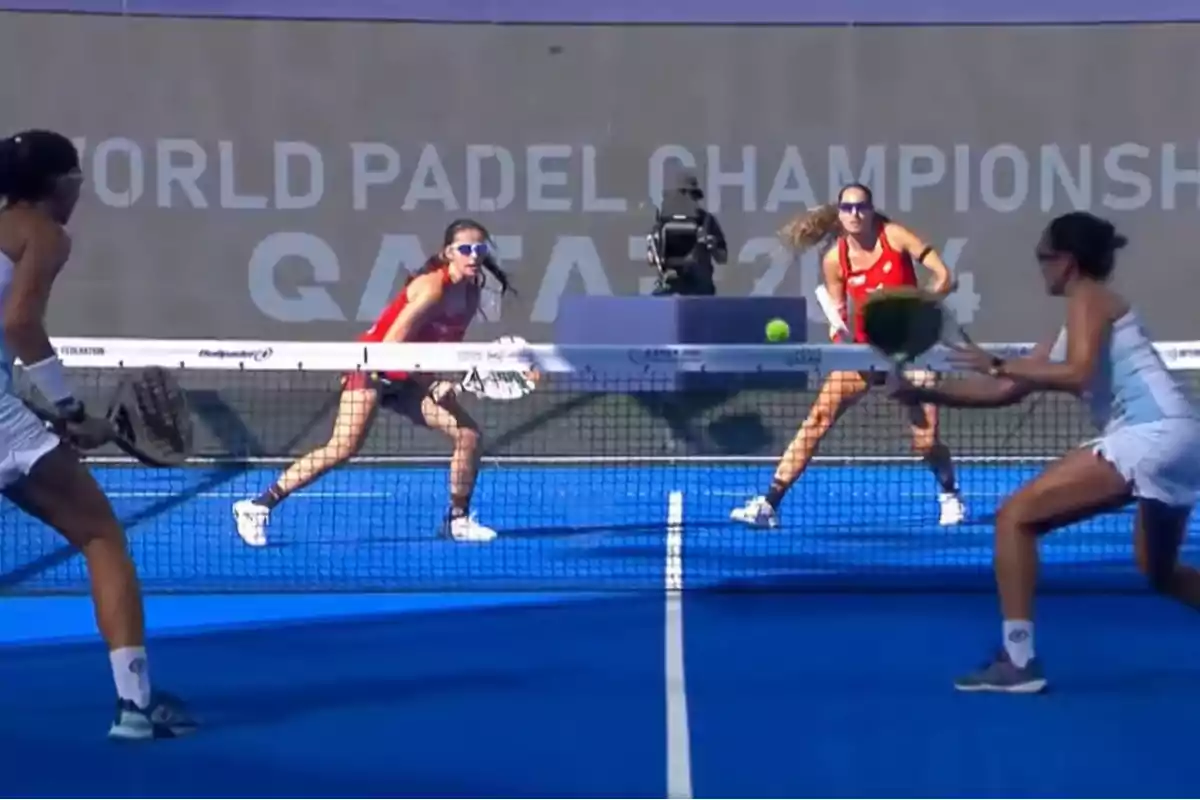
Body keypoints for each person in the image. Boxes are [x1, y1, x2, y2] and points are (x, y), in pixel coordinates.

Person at [892, 211, 1200, 692]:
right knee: (1159, 573)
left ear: (1068, 263)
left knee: (1015, 518)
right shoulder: (1080, 318)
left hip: (1149, 436)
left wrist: (996, 363)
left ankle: (1017, 661)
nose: (1040, 267)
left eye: (1043, 257)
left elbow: (1075, 374)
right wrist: (926, 394)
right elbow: (1006, 389)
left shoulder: (1087, 297)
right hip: (1183, 442)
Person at [0, 129, 195, 738]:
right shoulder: (45, 233)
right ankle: (134, 705)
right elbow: (20, 322)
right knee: (101, 536)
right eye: (78, 178)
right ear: (62, 184)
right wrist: (69, 406)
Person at [233, 219, 510, 546]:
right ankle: (257, 506)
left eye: (480, 249)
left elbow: (441, 350)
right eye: (465, 249)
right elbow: (390, 347)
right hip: (374, 369)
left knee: (468, 434)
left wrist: (444, 382)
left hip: (409, 377)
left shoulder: (471, 292)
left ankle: (457, 520)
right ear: (449, 252)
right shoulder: (432, 288)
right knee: (342, 448)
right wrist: (432, 384)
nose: (473, 255)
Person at [730, 183, 965, 529]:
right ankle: (769, 504)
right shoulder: (834, 261)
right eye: (848, 208)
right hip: (867, 353)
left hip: (913, 351)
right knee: (818, 418)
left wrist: (917, 308)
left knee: (925, 441)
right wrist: (842, 337)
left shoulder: (895, 236)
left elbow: (945, 277)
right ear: (839, 214)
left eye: (862, 207)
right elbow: (838, 318)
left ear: (871, 211)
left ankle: (949, 493)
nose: (855, 214)